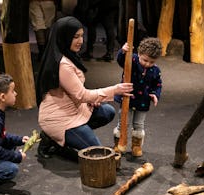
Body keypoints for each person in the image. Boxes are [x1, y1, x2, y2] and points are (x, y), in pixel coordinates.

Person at [35, 16, 133, 160]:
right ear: (64, 37)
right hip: (61, 119)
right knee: (98, 153)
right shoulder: (63, 64)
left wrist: (91, 100)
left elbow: (77, 91)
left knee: (107, 112)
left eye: (82, 36)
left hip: (74, 109)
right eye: (75, 37)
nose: (80, 41)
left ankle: (68, 137)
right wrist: (115, 90)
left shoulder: (69, 54)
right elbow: (81, 95)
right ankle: (50, 137)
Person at [113, 37, 162, 157]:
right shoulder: (132, 59)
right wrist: (123, 51)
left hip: (143, 101)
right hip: (127, 98)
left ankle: (136, 146)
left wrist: (155, 94)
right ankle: (119, 144)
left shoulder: (155, 70)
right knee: (123, 122)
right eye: (145, 60)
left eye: (152, 62)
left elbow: (158, 84)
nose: (148, 64)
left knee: (139, 125)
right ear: (139, 53)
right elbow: (121, 61)